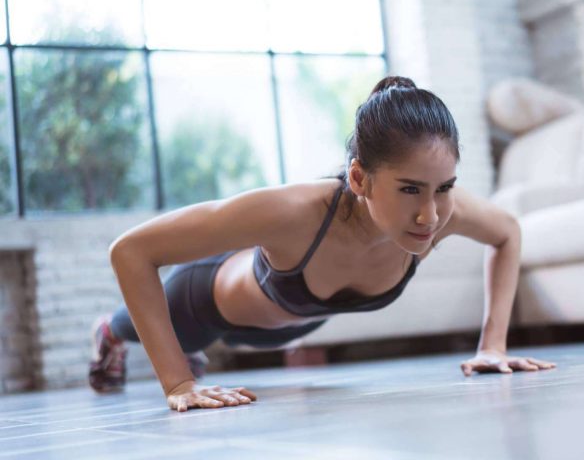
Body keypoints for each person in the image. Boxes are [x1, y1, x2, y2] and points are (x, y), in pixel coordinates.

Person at [89, 76, 556, 412]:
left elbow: (507, 232)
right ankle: (107, 334)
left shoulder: (438, 212)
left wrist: (492, 345)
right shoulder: (295, 211)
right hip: (203, 304)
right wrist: (178, 382)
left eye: (445, 187)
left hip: (290, 323)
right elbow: (130, 251)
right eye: (410, 189)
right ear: (360, 178)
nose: (430, 215)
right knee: (142, 329)